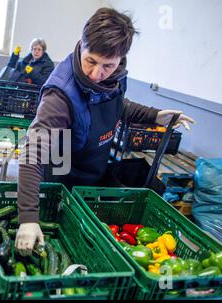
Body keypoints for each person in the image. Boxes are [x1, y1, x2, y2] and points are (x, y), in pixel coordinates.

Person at [15, 8, 195, 256]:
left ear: (121, 59)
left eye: (107, 66)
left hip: (94, 177)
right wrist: (28, 217)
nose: (96, 74)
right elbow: (32, 152)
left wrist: (155, 115)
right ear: (82, 44)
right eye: (90, 61)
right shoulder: (60, 95)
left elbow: (117, 103)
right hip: (62, 183)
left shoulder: (117, 73)